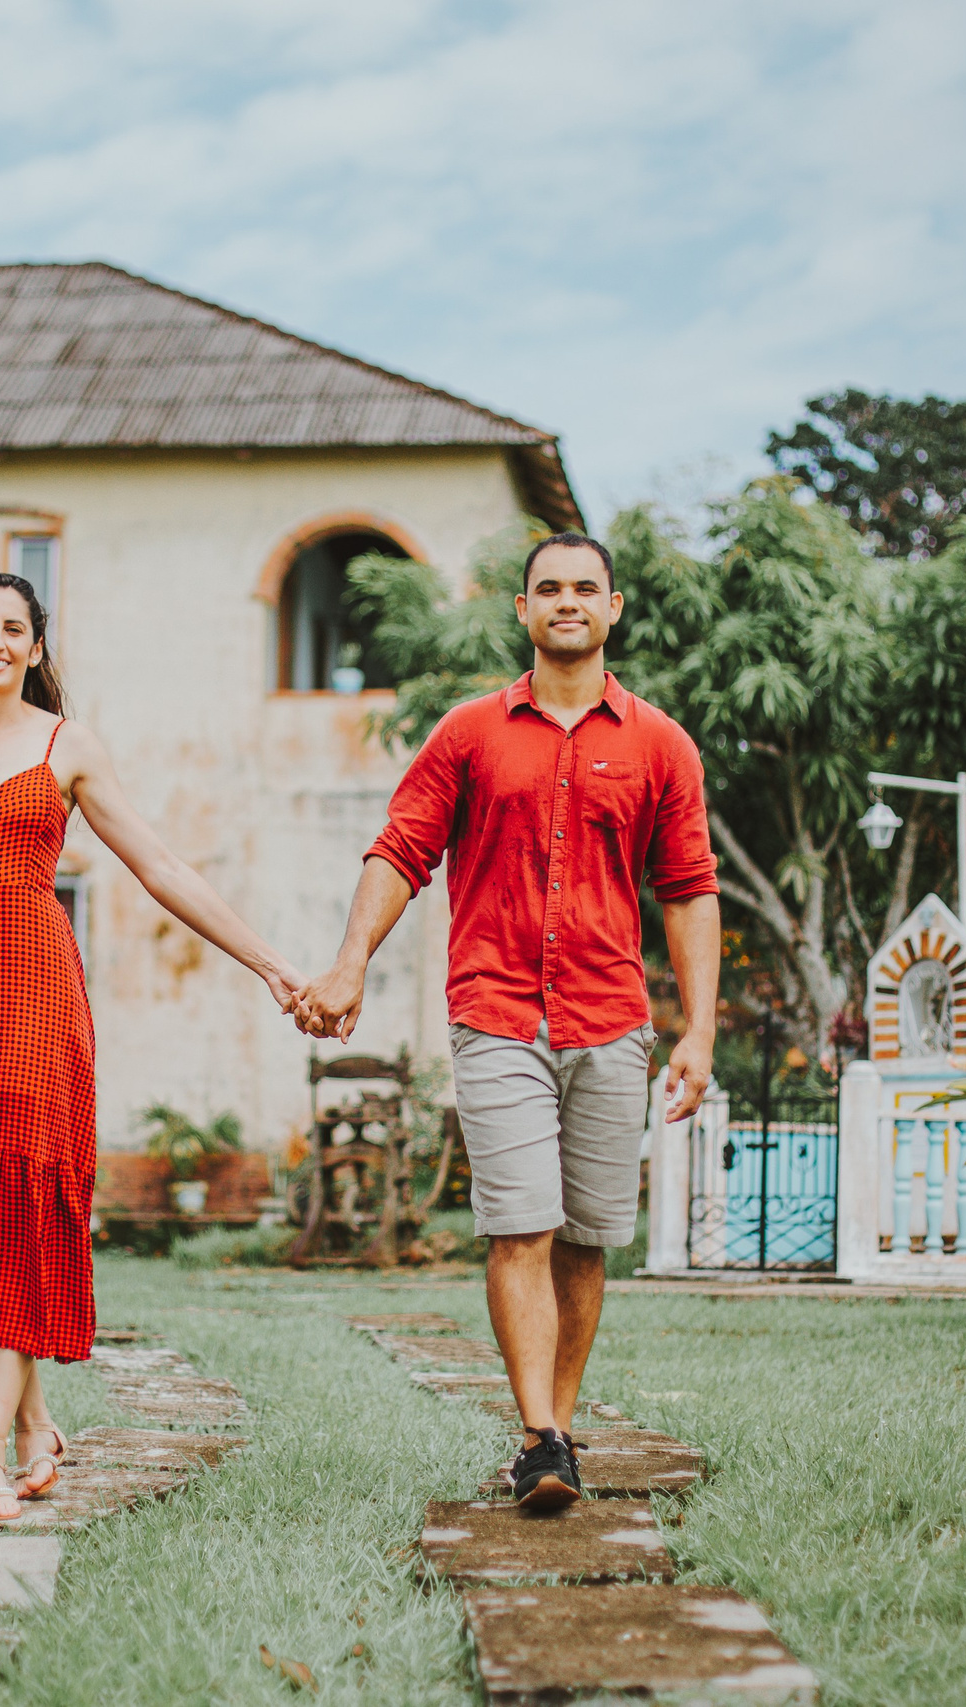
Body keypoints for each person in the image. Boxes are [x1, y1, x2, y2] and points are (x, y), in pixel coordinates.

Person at [0, 572, 305, 1522]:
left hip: (31, 997)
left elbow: (159, 863)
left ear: (36, 651)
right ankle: (36, 1422)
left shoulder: (67, 745)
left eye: (16, 628)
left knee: (8, 1195)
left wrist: (268, 963)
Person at [293, 531, 720, 1514]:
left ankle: (554, 1436)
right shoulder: (468, 734)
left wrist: (697, 1031)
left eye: (584, 588)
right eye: (546, 590)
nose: (565, 602)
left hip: (611, 1021)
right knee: (519, 1225)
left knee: (584, 1238)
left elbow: (689, 888)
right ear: (522, 612)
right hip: (495, 1016)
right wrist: (350, 961)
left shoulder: (660, 744)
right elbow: (400, 850)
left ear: (613, 609)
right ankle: (539, 1433)